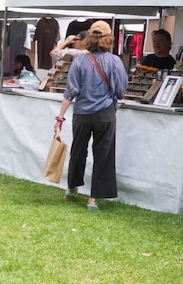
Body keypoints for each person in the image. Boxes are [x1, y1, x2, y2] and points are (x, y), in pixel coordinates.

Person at [54, 20, 128, 211]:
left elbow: (70, 91)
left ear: (90, 38)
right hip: (105, 113)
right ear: (108, 39)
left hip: (82, 113)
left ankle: (71, 188)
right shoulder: (115, 61)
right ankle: (93, 198)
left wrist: (60, 117)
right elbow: (120, 91)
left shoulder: (79, 61)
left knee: (78, 150)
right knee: (103, 154)